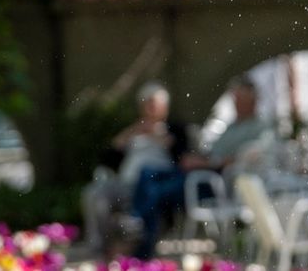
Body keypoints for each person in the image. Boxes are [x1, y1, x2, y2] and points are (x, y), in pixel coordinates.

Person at [131, 76, 268, 259]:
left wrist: (205, 163)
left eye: (239, 99)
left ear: (252, 100)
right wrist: (195, 158)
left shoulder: (259, 128)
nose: (235, 103)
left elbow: (243, 159)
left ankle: (141, 241)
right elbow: (212, 152)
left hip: (212, 183)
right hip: (197, 171)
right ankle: (135, 222)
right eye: (234, 99)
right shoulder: (232, 126)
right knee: (147, 173)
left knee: (155, 193)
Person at [82, 82, 190, 256]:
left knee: (144, 198)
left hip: (153, 183)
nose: (151, 108)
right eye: (147, 103)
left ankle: (138, 251)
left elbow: (183, 159)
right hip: (124, 182)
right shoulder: (133, 130)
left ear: (165, 107)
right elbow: (106, 159)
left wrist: (161, 137)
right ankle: (99, 248)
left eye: (155, 104)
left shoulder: (175, 129)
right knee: (94, 194)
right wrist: (129, 135)